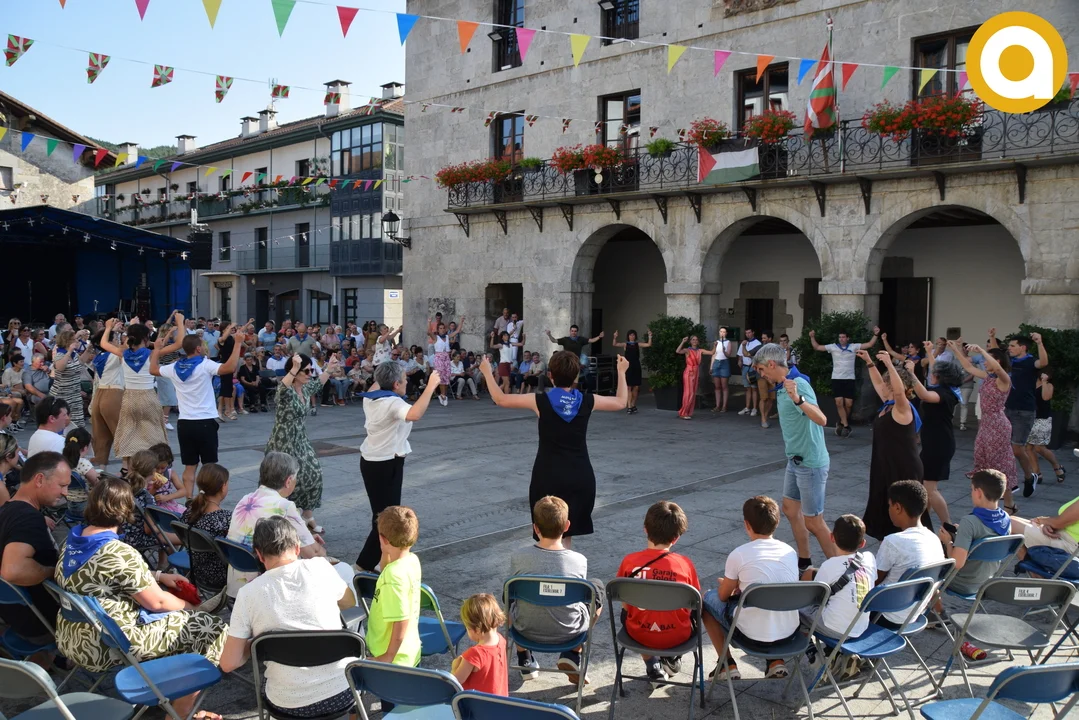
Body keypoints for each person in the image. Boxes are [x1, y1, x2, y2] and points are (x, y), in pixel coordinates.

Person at [53, 478, 228, 719]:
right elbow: (158, 602)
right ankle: (180, 712)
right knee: (211, 627)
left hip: (73, 636)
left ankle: (167, 691)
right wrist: (194, 609)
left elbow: (105, 578)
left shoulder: (72, 540)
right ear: (126, 510)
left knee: (178, 625)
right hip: (107, 644)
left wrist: (158, 575)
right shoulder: (117, 552)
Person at [480, 351, 628, 547]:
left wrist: (487, 371)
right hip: (579, 474)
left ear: (550, 376)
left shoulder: (540, 400)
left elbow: (501, 399)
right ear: (576, 376)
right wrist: (621, 371)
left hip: (547, 473)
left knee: (548, 533)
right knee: (567, 532)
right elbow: (621, 402)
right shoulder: (587, 400)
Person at [219, 516, 358, 719]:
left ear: (259, 555)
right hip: (343, 693)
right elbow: (349, 602)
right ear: (297, 547)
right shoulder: (321, 567)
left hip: (287, 704)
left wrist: (255, 644)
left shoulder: (247, 594)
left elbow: (228, 663)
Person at [753, 343, 835, 568]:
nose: (761, 375)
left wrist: (798, 399)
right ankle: (804, 561)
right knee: (790, 509)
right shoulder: (782, 386)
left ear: (771, 364)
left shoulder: (798, 384)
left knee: (814, 522)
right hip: (796, 460)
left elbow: (822, 419)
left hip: (810, 463)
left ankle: (842, 569)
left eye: (761, 369)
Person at [355, 362, 440, 572]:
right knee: (387, 517)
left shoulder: (371, 397)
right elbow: (415, 414)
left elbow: (379, 381)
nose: (406, 382)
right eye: (404, 379)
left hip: (372, 461)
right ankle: (362, 565)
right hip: (386, 463)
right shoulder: (392, 403)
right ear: (395, 384)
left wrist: (387, 366)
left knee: (381, 514)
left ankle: (379, 559)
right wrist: (430, 386)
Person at [702, 495, 799, 681]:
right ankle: (775, 660)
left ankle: (727, 664)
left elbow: (722, 597)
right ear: (777, 522)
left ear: (747, 525)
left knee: (707, 600)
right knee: (772, 601)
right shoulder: (790, 552)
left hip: (750, 635)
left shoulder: (739, 554)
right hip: (789, 633)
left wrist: (732, 587)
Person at [510, 496, 603, 683]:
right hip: (569, 632)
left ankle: (524, 658)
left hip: (524, 629)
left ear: (535, 528)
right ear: (567, 526)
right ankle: (573, 652)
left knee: (511, 595)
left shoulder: (518, 556)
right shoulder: (579, 561)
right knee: (597, 588)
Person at [152, 317, 243, 501]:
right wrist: (238, 343)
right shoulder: (204, 365)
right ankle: (207, 500)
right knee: (209, 466)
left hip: (185, 423)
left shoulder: (175, 367)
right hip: (205, 422)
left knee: (189, 466)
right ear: (199, 349)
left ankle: (189, 500)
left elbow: (153, 369)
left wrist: (156, 349)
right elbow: (229, 367)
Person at [616, 501, 700, 683]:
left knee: (630, 612)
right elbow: (694, 603)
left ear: (645, 529)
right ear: (676, 538)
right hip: (678, 635)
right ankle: (671, 658)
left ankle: (652, 664)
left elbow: (623, 601)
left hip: (638, 633)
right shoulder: (685, 565)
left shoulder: (629, 562)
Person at [0, 452, 69, 663]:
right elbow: (13, 571)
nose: (65, 493)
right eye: (62, 485)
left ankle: (50, 662)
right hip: (42, 625)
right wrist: (52, 571)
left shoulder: (6, 510)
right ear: (39, 479)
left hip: (15, 617)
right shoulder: (28, 518)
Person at [226, 452, 326, 597]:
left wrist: (304, 538)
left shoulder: (246, 500)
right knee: (338, 572)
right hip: (268, 587)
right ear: (288, 481)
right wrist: (324, 554)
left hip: (237, 585)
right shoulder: (284, 506)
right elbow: (314, 555)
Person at [265, 354, 340, 532]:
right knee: (286, 480)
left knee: (315, 473)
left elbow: (318, 382)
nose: (310, 374)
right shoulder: (286, 391)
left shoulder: (305, 389)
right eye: (306, 371)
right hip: (283, 442)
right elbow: (281, 389)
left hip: (301, 439)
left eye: (311, 370)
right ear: (295, 372)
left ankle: (307, 516)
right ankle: (284, 518)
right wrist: (293, 368)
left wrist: (329, 369)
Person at [859, 350, 924, 540]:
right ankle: (888, 546)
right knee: (884, 509)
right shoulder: (888, 404)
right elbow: (877, 383)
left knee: (904, 512)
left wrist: (889, 363)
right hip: (885, 465)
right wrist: (869, 362)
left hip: (903, 467)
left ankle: (908, 547)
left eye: (887, 382)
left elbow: (898, 391)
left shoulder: (902, 407)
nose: (884, 385)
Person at [952, 342, 1019, 514]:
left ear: (997, 360)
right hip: (986, 424)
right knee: (982, 463)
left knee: (998, 465)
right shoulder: (987, 377)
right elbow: (968, 366)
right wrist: (955, 350)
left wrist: (982, 350)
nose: (984, 362)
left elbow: (997, 368)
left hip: (998, 425)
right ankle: (987, 504)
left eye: (986, 360)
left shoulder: (1004, 379)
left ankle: (1007, 504)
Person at [873, 481, 944, 628]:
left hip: (885, 615)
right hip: (914, 614)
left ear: (898, 508)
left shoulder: (893, 541)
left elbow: (874, 581)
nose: (888, 509)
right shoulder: (934, 539)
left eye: (889, 505)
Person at [909, 345, 963, 534]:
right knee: (925, 486)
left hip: (939, 444)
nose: (931, 374)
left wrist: (911, 373)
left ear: (941, 377)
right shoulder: (945, 389)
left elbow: (923, 394)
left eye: (934, 373)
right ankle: (923, 523)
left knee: (929, 488)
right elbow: (935, 371)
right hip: (935, 442)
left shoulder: (944, 394)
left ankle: (948, 525)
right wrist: (931, 353)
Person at [365, 506, 422, 675]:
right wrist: (385, 552)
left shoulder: (393, 576)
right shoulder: (411, 560)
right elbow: (386, 569)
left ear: (383, 539)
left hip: (393, 660)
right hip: (407, 652)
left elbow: (401, 619)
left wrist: (388, 656)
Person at [103, 319, 168, 466]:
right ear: (145, 339)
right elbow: (178, 345)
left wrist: (108, 328)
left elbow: (104, 344)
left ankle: (127, 469)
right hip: (148, 396)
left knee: (129, 434)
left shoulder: (123, 353)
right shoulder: (152, 354)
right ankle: (153, 467)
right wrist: (158, 346)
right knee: (154, 434)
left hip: (129, 398)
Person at [800, 515, 875, 640]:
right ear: (862, 543)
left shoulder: (829, 565)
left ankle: (809, 647)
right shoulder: (869, 559)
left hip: (835, 628)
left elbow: (815, 596)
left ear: (832, 537)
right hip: (860, 627)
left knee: (796, 610)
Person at [999, 332, 1049, 498]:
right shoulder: (1009, 361)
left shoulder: (1030, 361)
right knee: (1003, 448)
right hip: (1006, 408)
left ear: (1023, 347)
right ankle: (1005, 484)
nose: (1009, 348)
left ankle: (1029, 477)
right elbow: (994, 356)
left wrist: (1039, 342)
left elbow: (1043, 362)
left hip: (1024, 411)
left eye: (1013, 346)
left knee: (1017, 449)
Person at [808, 325, 880, 436]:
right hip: (836, 378)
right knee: (839, 402)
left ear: (847, 338)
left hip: (849, 378)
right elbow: (817, 347)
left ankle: (841, 422)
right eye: (840, 337)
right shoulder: (833, 347)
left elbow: (869, 344)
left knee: (849, 404)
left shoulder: (853, 347)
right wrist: (812, 337)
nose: (841, 339)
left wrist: (875, 334)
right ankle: (846, 426)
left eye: (843, 337)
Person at [180, 464, 231, 593]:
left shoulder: (190, 511)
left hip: (197, 572)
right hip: (222, 577)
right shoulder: (224, 519)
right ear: (223, 486)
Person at [451, 594, 509, 696]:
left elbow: (455, 683)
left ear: (477, 629)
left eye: (467, 627)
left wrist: (454, 667)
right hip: (500, 700)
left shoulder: (474, 654)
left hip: (477, 703)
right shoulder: (501, 640)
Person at [87, 326, 124, 468]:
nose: (117, 341)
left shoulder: (99, 356)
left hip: (99, 394)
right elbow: (126, 348)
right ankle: (127, 467)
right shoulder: (113, 355)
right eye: (115, 339)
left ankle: (101, 469)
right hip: (113, 393)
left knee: (101, 436)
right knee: (121, 433)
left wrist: (112, 330)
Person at [49, 328, 94, 429]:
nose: (77, 341)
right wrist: (69, 351)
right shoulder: (60, 354)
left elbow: (81, 362)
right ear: (67, 342)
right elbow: (60, 367)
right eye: (74, 340)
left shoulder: (74, 355)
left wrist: (89, 349)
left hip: (75, 395)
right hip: (62, 395)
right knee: (62, 424)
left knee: (78, 424)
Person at [1027, 370, 1065, 483]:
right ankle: (1037, 473)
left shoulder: (1048, 385)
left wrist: (1044, 382)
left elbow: (1045, 397)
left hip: (1042, 419)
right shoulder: (1030, 383)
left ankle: (1057, 466)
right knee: (1028, 447)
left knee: (1039, 447)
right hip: (1029, 418)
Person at [610, 329, 651, 414]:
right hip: (628, 367)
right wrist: (615, 337)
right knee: (629, 386)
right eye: (630, 335)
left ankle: (633, 404)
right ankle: (629, 406)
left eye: (633, 335)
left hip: (636, 366)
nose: (632, 336)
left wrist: (650, 336)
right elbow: (615, 344)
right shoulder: (625, 344)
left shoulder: (637, 344)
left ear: (635, 336)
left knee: (636, 387)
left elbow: (648, 344)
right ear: (628, 336)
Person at [675, 336, 714, 420]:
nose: (695, 341)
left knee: (693, 393)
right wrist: (683, 341)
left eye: (696, 339)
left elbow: (712, 352)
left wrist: (715, 345)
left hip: (696, 372)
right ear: (690, 341)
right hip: (689, 372)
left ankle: (687, 412)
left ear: (698, 341)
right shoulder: (688, 350)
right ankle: (683, 412)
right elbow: (678, 351)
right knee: (689, 393)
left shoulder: (700, 351)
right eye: (693, 339)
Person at [429, 318, 462, 407]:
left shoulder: (447, 337)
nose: (442, 330)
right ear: (438, 329)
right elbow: (429, 332)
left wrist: (461, 321)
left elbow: (457, 331)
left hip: (446, 357)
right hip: (439, 357)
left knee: (447, 377)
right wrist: (429, 322)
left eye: (443, 328)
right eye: (440, 328)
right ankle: (443, 395)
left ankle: (443, 395)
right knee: (441, 377)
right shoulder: (436, 337)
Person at [147, 443, 186, 514]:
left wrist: (168, 497)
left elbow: (183, 491)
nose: (159, 471)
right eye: (156, 468)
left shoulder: (170, 473)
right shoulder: (147, 476)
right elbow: (144, 498)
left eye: (163, 468)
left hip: (171, 506)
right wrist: (154, 489)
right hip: (154, 508)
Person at [489, 331, 525, 396]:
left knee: (506, 383)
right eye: (505, 335)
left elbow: (522, 344)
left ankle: (501, 396)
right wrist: (492, 337)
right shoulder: (501, 345)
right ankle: (498, 395)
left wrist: (524, 337)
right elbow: (492, 346)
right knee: (507, 382)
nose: (506, 336)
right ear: (502, 337)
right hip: (503, 365)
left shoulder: (510, 344)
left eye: (507, 335)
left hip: (508, 365)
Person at [710, 327, 736, 413]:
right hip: (716, 363)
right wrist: (711, 367)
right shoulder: (716, 342)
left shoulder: (728, 342)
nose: (722, 333)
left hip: (724, 363)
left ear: (726, 333)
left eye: (724, 332)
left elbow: (728, 355)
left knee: (724, 386)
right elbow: (713, 354)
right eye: (721, 331)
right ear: (719, 332)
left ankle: (724, 406)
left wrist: (724, 351)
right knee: (717, 386)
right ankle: (717, 406)